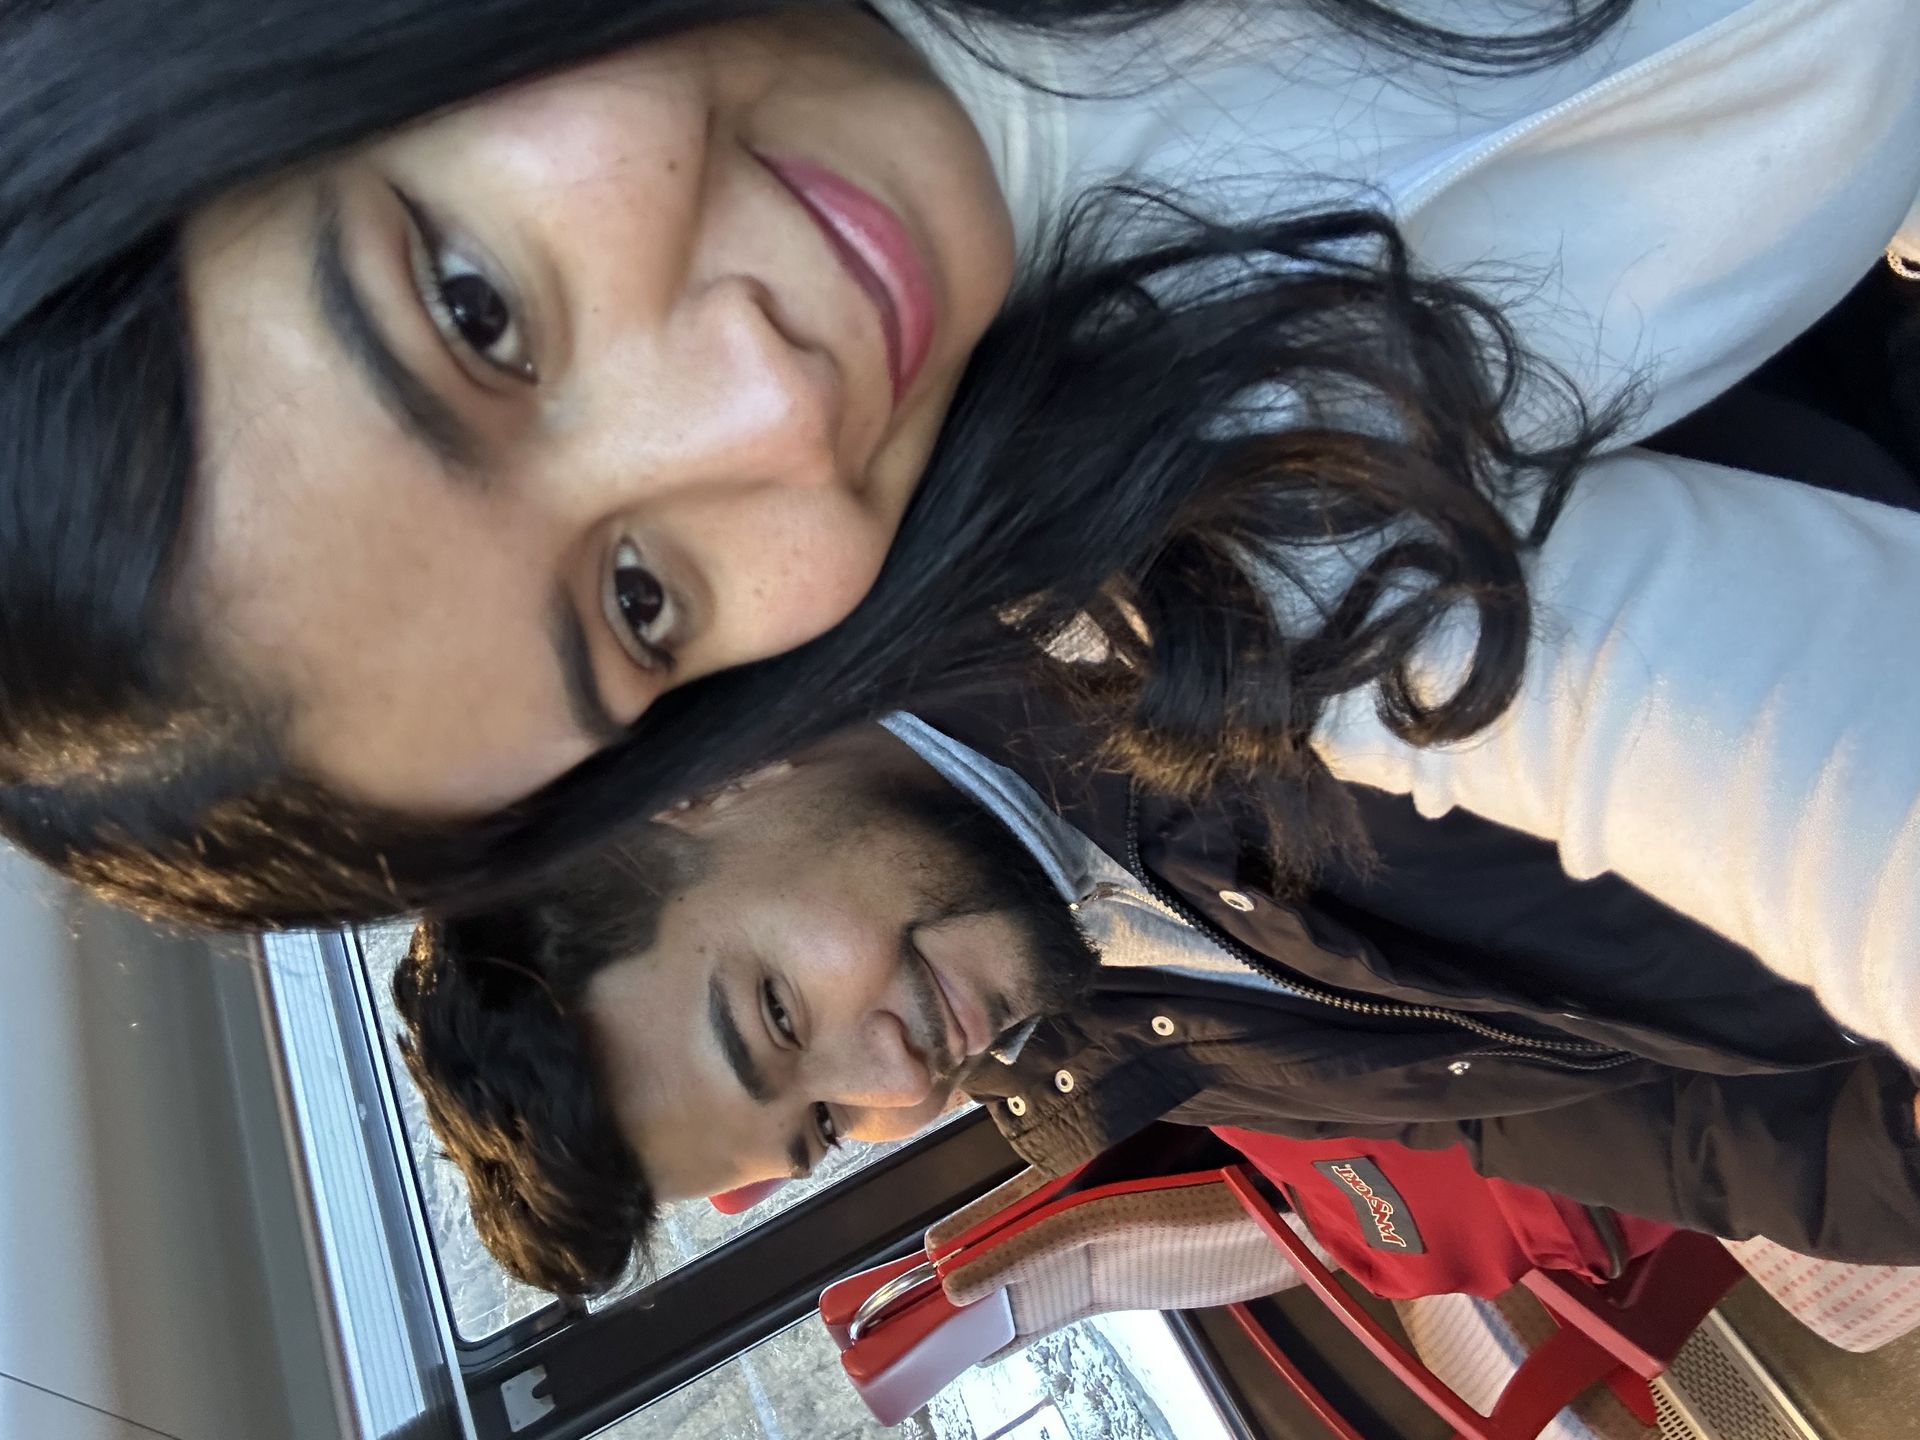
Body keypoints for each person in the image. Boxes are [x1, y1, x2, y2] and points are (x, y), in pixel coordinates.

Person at [2, 0, 1917, 979]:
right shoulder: (1205, 550)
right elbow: (1803, 767)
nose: (769, 405)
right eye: (640, 600)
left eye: (476, 311)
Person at [393, 710, 1920, 1298]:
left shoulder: (1142, 628)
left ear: (703, 789)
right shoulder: (1102, 1036)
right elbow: (1610, 1121)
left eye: (779, 1017)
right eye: (825, 1127)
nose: (898, 1083)